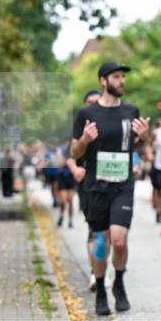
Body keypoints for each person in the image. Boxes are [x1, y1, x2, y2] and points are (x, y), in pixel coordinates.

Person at [71, 62, 150, 316]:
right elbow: (74, 152)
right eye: (116, 77)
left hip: (123, 184)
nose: (121, 81)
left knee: (119, 239)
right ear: (103, 80)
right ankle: (102, 291)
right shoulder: (87, 114)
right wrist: (84, 140)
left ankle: (120, 282)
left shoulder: (131, 111)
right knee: (102, 241)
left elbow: (134, 146)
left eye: (123, 77)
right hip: (97, 185)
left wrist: (144, 138)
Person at [69, 90, 102, 291]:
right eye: (89, 103)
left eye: (96, 103)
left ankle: (104, 267)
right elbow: (70, 155)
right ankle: (95, 272)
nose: (93, 106)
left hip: (109, 185)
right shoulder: (79, 129)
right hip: (88, 186)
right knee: (94, 230)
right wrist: (76, 169)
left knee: (109, 232)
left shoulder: (108, 128)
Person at [55, 143, 76, 227]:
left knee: (70, 200)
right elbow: (59, 164)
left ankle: (70, 220)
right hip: (62, 177)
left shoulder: (74, 152)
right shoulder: (61, 151)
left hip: (71, 178)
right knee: (63, 200)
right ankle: (61, 215)